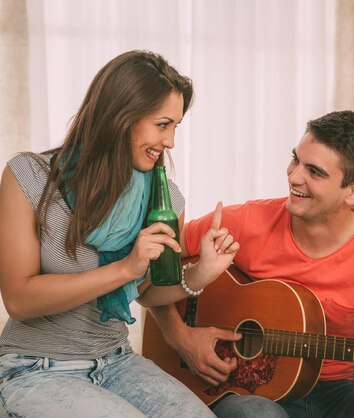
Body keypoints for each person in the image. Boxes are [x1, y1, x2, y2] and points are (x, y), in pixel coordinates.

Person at [149, 111, 354, 417]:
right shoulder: (242, 221)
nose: (294, 176)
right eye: (296, 159)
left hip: (336, 393)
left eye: (314, 172)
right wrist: (179, 336)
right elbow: (150, 276)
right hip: (247, 392)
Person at [0, 50, 239, 417]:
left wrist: (202, 272)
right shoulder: (29, 177)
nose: (171, 141)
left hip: (117, 362)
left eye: (176, 127)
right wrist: (125, 268)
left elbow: (146, 292)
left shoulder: (166, 198)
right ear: (121, 118)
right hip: (34, 366)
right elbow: (19, 299)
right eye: (163, 125)